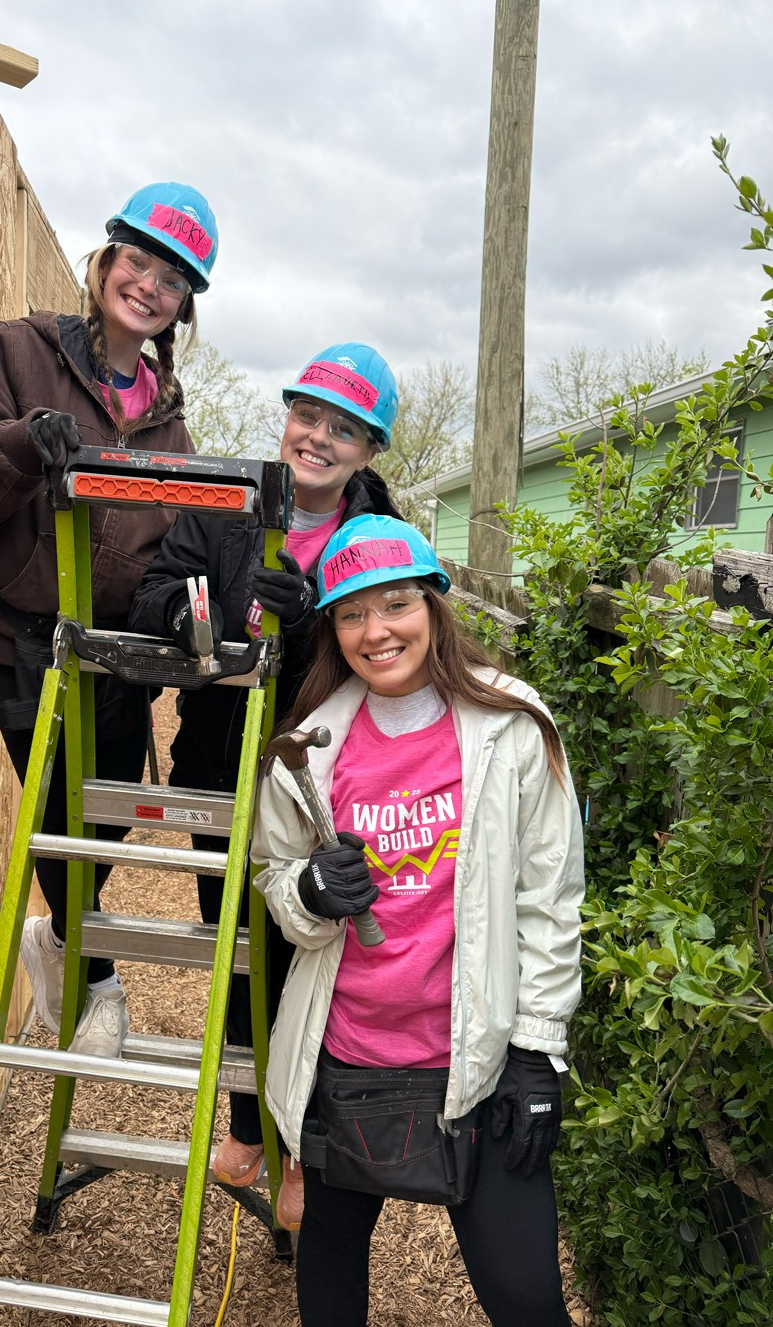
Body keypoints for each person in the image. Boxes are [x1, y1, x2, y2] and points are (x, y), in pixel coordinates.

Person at [251, 514, 584, 1326]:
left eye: (396, 603)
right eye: (351, 613)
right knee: (331, 1262)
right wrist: (310, 893)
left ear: (434, 604)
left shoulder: (513, 726)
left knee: (528, 1299)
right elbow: (274, 875)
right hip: (350, 1058)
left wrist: (537, 1050)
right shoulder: (311, 746)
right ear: (332, 628)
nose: (376, 631)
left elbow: (549, 896)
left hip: (478, 1060)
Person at [0, 181, 218, 1057]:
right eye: (139, 261)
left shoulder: (168, 424)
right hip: (21, 636)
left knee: (109, 815)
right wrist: (19, 443)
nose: (150, 286)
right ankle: (96, 978)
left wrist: (186, 606)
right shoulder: (19, 351)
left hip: (115, 655)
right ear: (107, 259)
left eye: (173, 280)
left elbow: (178, 541)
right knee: (58, 816)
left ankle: (55, 935)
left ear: (182, 307)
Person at [129, 344, 402, 1227]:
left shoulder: (380, 537)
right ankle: (251, 1125)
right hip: (224, 768)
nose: (317, 437)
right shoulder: (227, 507)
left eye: (344, 429)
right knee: (240, 950)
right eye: (308, 415)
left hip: (326, 783)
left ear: (368, 450)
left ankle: (303, 1148)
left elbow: (397, 650)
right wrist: (201, 615)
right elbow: (152, 595)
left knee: (314, 964)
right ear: (288, 417)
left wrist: (317, 616)